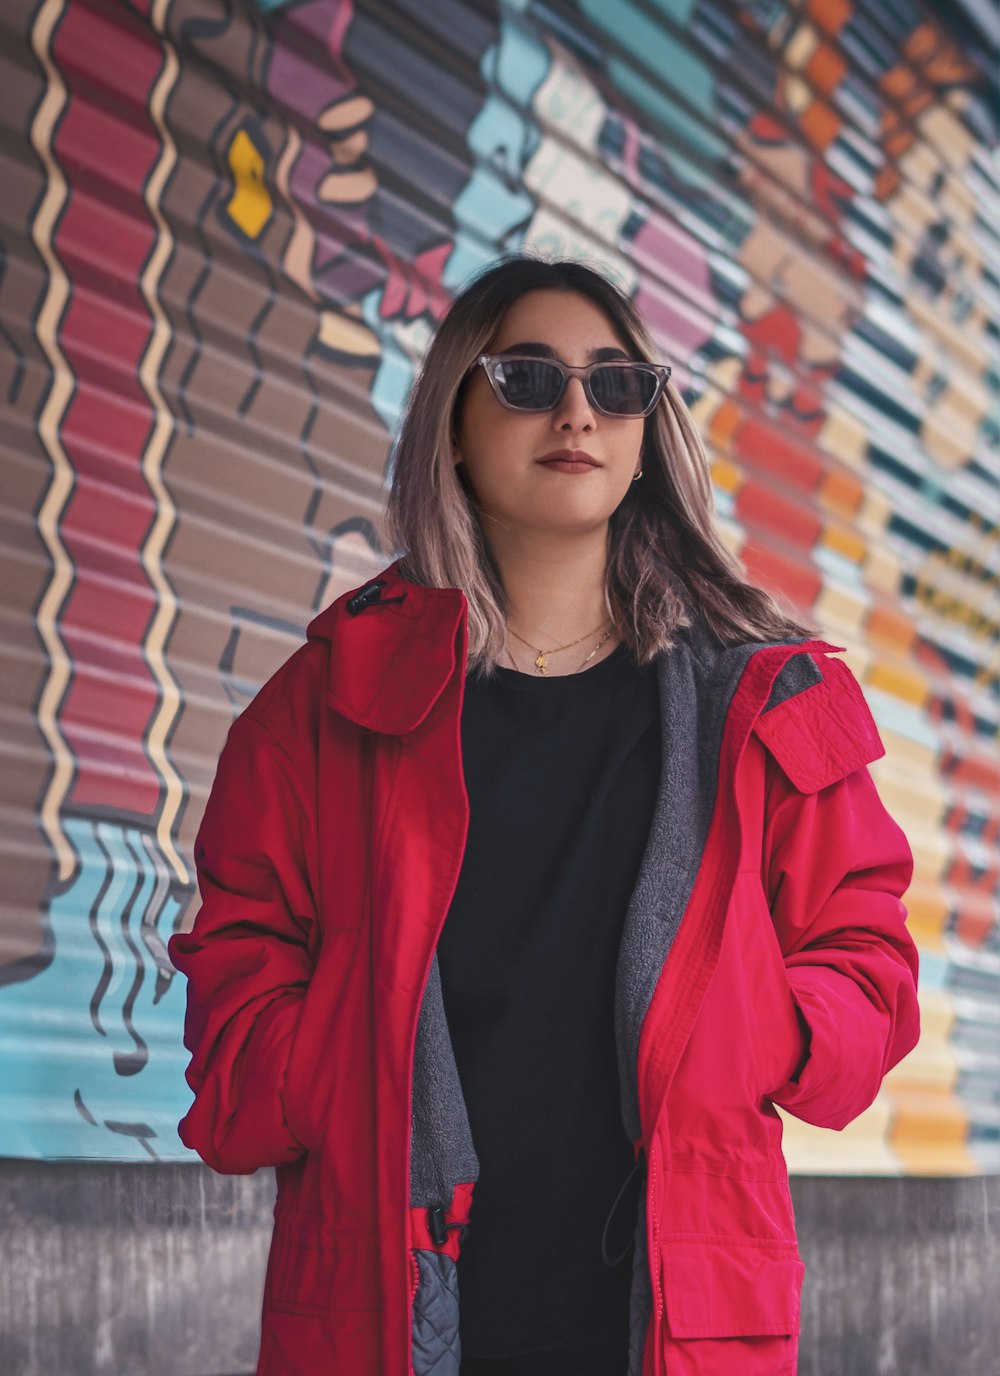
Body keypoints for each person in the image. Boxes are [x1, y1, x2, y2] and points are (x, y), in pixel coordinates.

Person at [168, 255, 921, 1376]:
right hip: (386, 1309)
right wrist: (341, 1065)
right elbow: (234, 1001)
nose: (577, 409)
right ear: (454, 426)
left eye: (616, 383)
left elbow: (867, 966)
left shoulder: (763, 703)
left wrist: (755, 1024)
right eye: (526, 377)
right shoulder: (319, 709)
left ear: (645, 427)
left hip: (679, 1315)